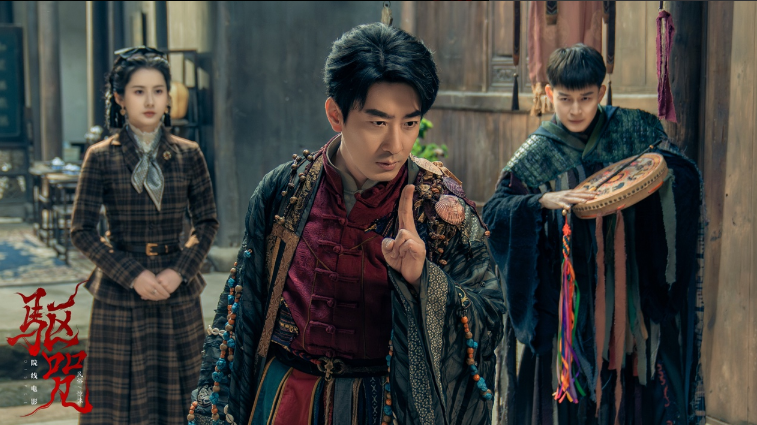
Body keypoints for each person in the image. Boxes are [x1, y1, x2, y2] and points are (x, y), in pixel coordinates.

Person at [189, 23, 505, 425]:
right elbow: (240, 305)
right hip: (285, 396)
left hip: (383, 405)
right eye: (378, 123)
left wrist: (423, 280)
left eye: (409, 123)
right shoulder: (283, 190)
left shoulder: (441, 208)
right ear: (335, 114)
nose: (395, 145)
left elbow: (489, 314)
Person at [482, 43, 705, 424]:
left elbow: (681, 175)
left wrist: (655, 180)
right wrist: (540, 201)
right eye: (565, 99)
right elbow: (495, 213)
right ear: (550, 93)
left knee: (635, 382)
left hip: (631, 290)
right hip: (567, 300)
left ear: (601, 92)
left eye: (586, 98)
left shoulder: (635, 129)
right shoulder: (537, 152)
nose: (575, 109)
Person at [71, 46, 219, 424]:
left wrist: (179, 271)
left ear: (168, 97)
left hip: (176, 289)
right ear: (120, 99)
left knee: (184, 397)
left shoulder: (189, 154)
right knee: (118, 402)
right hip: (120, 291)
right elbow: (82, 231)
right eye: (139, 91)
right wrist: (132, 274)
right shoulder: (101, 156)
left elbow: (206, 222)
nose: (150, 101)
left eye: (158, 90)